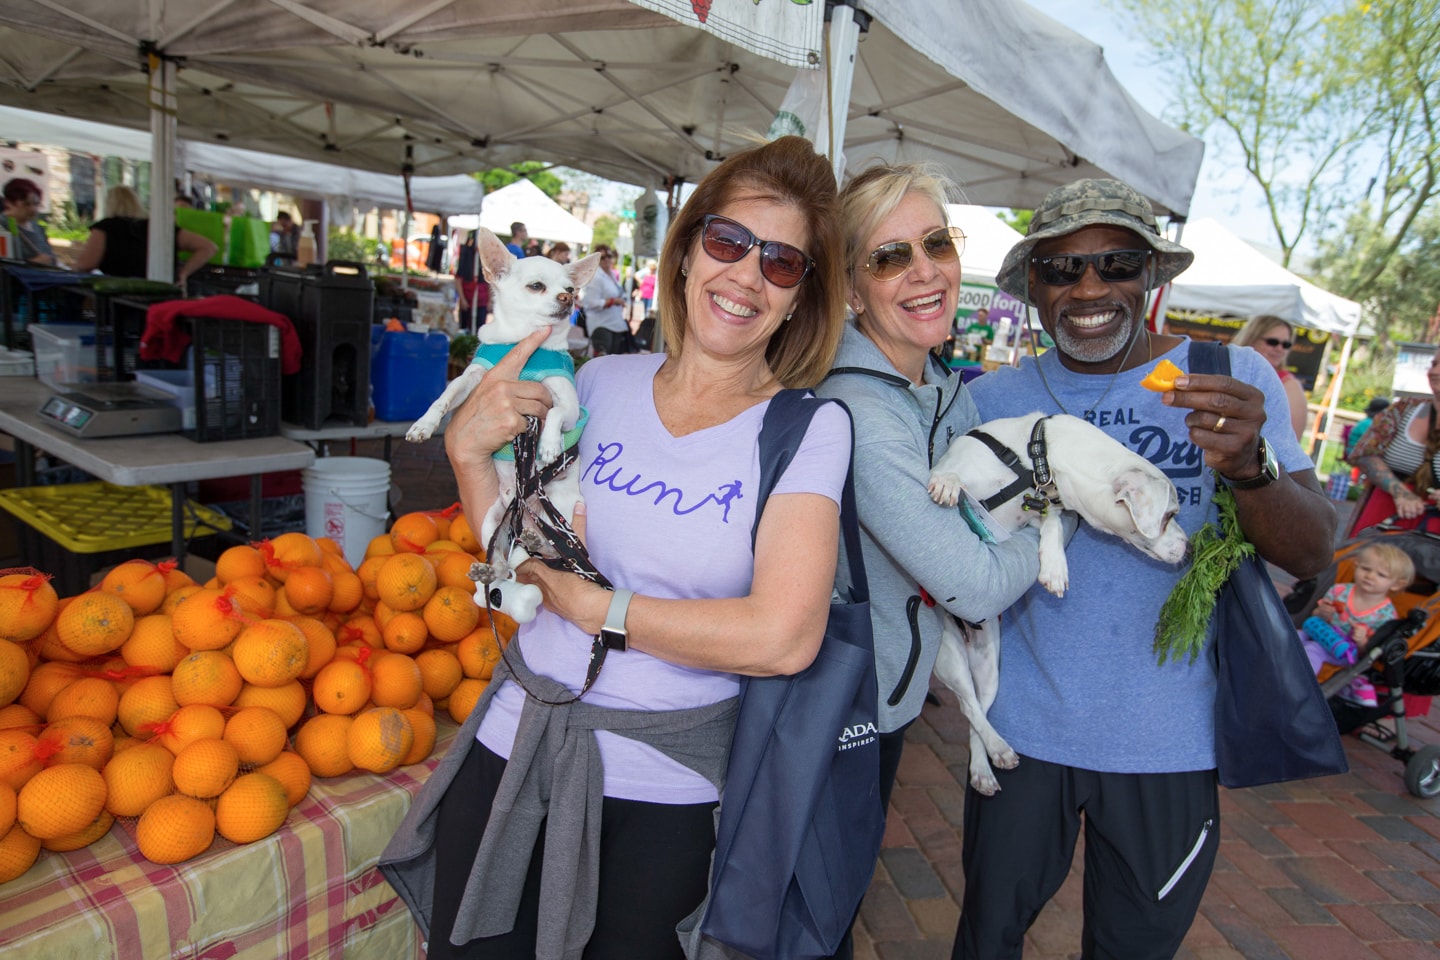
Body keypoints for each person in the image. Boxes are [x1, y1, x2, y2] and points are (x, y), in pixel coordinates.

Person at [379, 135, 851, 959]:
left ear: (799, 298)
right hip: (512, 748)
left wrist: (599, 608)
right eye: (729, 241)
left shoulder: (809, 429)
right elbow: (511, 547)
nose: (744, 274)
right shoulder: (597, 382)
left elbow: (783, 636)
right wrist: (465, 457)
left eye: (780, 263)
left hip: (661, 789)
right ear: (686, 252)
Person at [955, 178, 1335, 959]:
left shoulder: (1229, 378)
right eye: (1062, 270)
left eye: (1117, 264)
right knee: (986, 940)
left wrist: (1249, 467)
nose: (1090, 289)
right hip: (1020, 730)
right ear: (1033, 287)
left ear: (1151, 277)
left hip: (1170, 743)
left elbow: (1312, 551)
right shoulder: (992, 399)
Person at [816, 162, 1041, 812]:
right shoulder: (860, 409)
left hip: (892, 693)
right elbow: (972, 585)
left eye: (936, 243)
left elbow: (991, 505)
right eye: (890, 256)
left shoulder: (939, 387)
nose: (925, 269)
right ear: (853, 292)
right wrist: (1068, 512)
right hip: (839, 703)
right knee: (812, 906)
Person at [1300, 542, 1413, 708]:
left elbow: (1368, 652)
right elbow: (1316, 616)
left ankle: (1298, 685)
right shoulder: (1339, 591)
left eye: (1381, 575)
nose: (1370, 576)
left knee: (1312, 650)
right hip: (1320, 632)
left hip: (1343, 651)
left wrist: (1361, 641)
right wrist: (1322, 613)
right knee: (1292, 634)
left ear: (1396, 584)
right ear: (1356, 566)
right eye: (1366, 569)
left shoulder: (1386, 615)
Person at [1348, 344, 1440, 535]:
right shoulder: (1403, 409)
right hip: (1384, 518)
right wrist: (1399, 491)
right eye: (1434, 364)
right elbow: (1364, 454)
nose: (1435, 371)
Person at [71, 185, 219, 288]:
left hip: (120, 299)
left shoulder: (106, 227)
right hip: (162, 295)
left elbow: (86, 264)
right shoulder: (158, 229)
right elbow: (208, 247)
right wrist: (184, 273)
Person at [1232, 313, 1308, 440]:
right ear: (1252, 339)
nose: (1280, 349)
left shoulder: (1288, 385)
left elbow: (1291, 441)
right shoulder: (1231, 371)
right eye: (1273, 342)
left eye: (1286, 345)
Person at [581, 245, 631, 355]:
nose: (607, 259)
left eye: (609, 256)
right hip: (601, 324)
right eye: (602, 257)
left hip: (615, 323)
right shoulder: (596, 277)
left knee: (613, 360)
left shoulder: (612, 274)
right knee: (602, 358)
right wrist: (613, 301)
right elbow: (590, 303)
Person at [3, 178, 57, 266]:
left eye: (36, 204)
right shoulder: (4, 226)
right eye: (26, 204)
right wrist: (33, 263)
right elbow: (5, 266)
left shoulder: (37, 228)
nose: (33, 209)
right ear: (9, 203)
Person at [453, 230, 488, 331]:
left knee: (480, 327)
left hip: (482, 300)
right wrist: (462, 299)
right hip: (467, 299)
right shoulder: (466, 255)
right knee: (465, 327)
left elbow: (490, 281)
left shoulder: (486, 257)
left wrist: (490, 301)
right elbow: (458, 280)